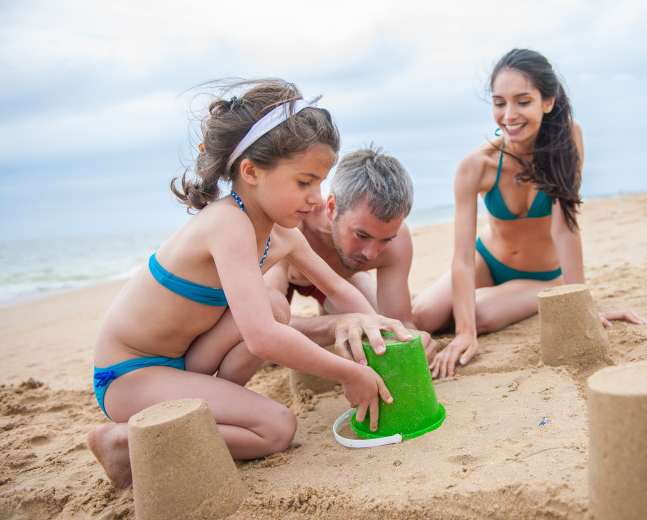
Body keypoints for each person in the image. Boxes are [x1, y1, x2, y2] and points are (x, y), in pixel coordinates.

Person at [87, 79, 412, 488]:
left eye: (320, 183)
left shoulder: (282, 233)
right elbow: (262, 341)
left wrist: (379, 333)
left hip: (190, 363)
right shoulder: (227, 224)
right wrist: (350, 373)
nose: (316, 198)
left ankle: (207, 402)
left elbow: (339, 290)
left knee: (274, 304)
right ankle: (125, 440)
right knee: (276, 428)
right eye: (304, 182)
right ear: (252, 171)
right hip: (131, 373)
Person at [412, 49, 646, 379]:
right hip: (486, 260)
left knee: (478, 313)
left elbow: (565, 228)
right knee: (422, 315)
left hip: (543, 275)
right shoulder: (476, 166)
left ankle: (505, 304)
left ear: (547, 102)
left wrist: (578, 305)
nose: (509, 114)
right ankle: (469, 316)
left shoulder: (568, 140)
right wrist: (464, 333)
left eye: (523, 101)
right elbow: (462, 257)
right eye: (499, 102)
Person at [264, 145, 437, 362]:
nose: (371, 253)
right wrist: (337, 324)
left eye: (385, 239)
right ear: (331, 207)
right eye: (361, 235)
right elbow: (266, 322)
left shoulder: (398, 240)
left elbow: (399, 321)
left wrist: (415, 340)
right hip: (281, 280)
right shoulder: (291, 224)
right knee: (263, 353)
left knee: (380, 332)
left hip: (340, 283)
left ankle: (328, 313)